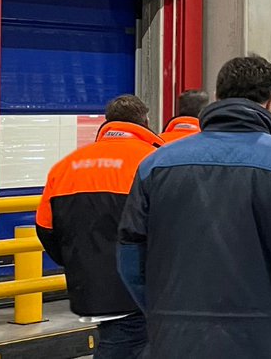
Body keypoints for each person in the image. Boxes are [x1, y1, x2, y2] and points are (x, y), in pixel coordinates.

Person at [117, 55, 271, 358]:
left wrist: (166, 317)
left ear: (217, 97)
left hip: (173, 342)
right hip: (270, 344)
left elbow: (131, 254)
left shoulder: (155, 166)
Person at [36, 95, 164, 359]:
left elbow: (45, 228)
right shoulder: (155, 162)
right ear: (145, 122)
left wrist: (79, 261)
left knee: (120, 339)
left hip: (90, 284)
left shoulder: (65, 166)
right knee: (128, 344)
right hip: (142, 285)